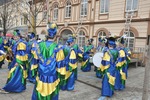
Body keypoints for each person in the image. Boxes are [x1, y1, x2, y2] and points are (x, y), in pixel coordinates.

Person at [32, 23, 65, 100]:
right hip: (52, 77)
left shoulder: (38, 45)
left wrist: (35, 73)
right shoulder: (58, 48)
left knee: (39, 94)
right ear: (56, 34)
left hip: (41, 75)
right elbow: (61, 67)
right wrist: (61, 79)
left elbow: (34, 62)